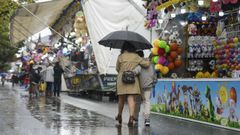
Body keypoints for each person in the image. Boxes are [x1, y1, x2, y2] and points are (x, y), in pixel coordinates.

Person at [115, 42, 150, 126]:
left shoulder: (120, 56)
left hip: (122, 79)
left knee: (121, 99)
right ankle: (131, 117)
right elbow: (147, 64)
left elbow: (117, 68)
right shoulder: (136, 56)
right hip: (132, 78)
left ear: (123, 48)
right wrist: (147, 60)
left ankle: (119, 115)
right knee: (131, 99)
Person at [133, 50, 157, 126]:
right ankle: (147, 119)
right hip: (148, 86)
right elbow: (154, 75)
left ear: (138, 57)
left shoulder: (139, 65)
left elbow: (134, 72)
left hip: (139, 87)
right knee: (147, 102)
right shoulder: (151, 64)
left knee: (137, 102)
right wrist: (153, 83)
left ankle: (135, 117)